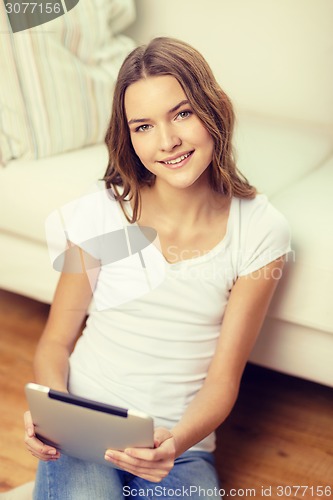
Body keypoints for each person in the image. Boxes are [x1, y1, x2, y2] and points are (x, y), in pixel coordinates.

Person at [24, 37, 291, 499]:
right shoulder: (100, 211)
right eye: (143, 126)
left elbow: (223, 381)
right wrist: (56, 416)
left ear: (213, 110)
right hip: (84, 430)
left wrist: (175, 443)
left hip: (182, 448)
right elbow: (55, 342)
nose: (166, 142)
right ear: (128, 136)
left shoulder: (262, 230)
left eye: (182, 113)